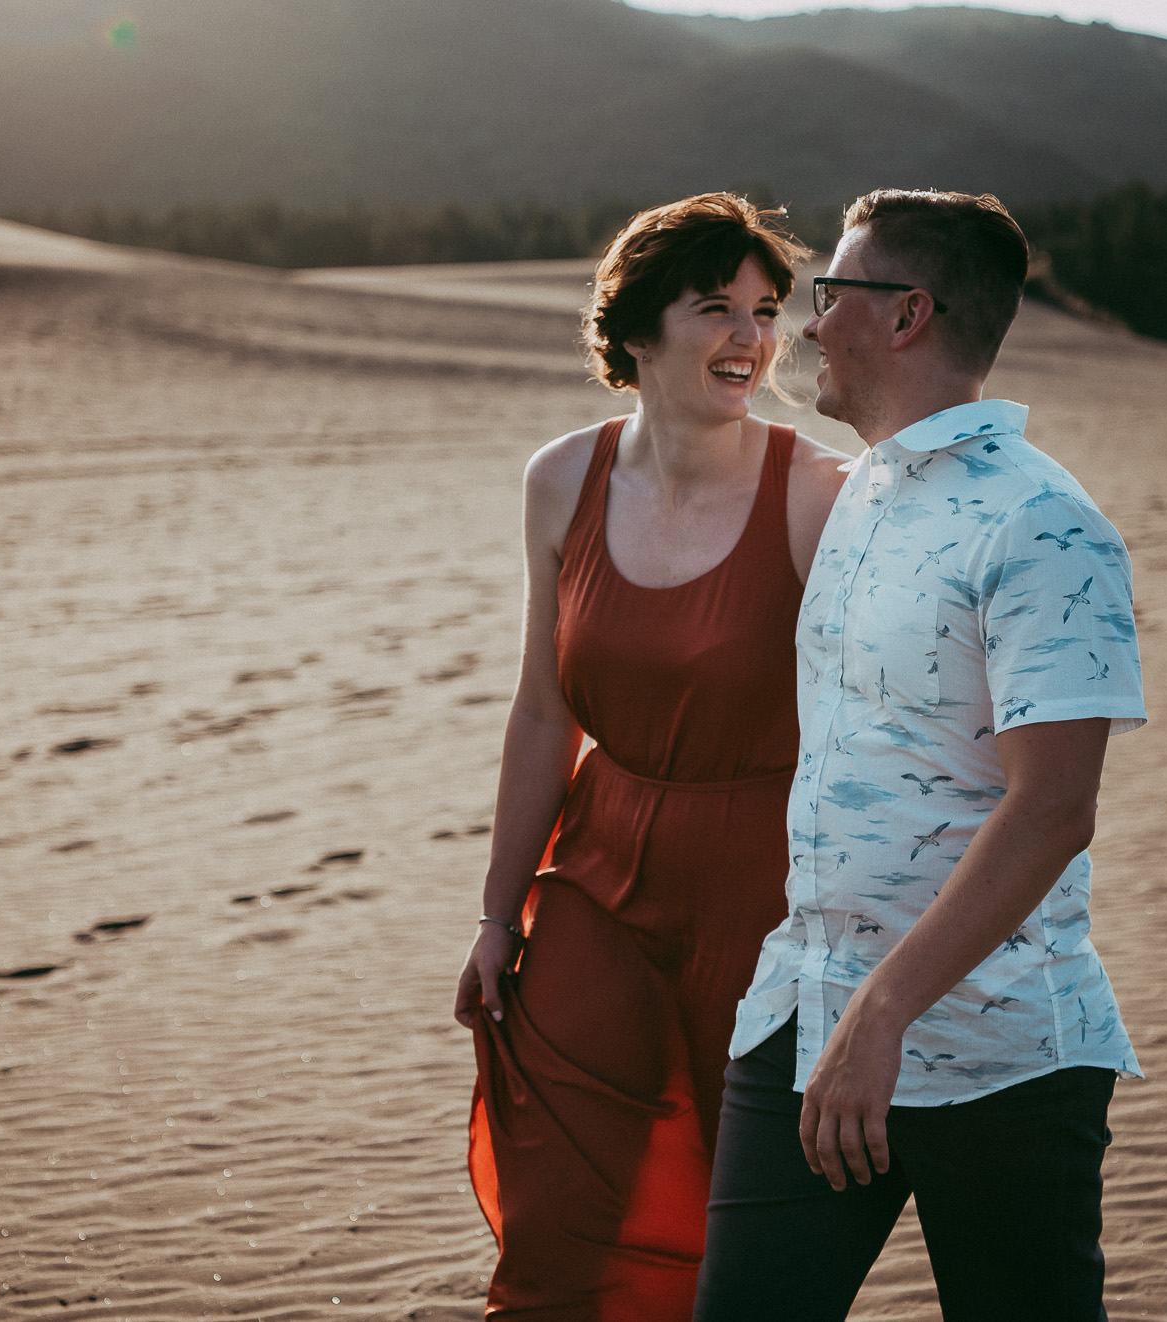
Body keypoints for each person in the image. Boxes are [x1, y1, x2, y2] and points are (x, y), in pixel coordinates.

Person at [693, 189, 1148, 1322]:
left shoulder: (1043, 523)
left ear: (907, 316)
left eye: (828, 294)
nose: (806, 325)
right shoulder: (863, 494)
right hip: (804, 1016)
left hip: (998, 1054)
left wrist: (886, 1015)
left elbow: (1053, 809)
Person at [453, 193, 850, 1319]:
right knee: (556, 1209)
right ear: (635, 329)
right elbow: (542, 709)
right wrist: (496, 914)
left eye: (767, 310)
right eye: (715, 306)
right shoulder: (559, 479)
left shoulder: (819, 494)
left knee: (745, 1220)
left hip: (764, 891)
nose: (753, 338)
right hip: (596, 870)